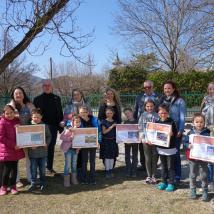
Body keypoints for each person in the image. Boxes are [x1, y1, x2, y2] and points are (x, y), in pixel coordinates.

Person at [158, 80, 186, 184]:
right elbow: (159, 114)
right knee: (164, 154)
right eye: (165, 88)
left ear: (173, 89)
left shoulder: (180, 101)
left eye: (169, 88)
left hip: (175, 132)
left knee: (176, 153)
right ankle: (168, 176)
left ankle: (177, 176)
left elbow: (182, 117)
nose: (167, 90)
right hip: (164, 131)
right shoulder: (162, 100)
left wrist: (180, 129)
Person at [33, 79, 63, 174]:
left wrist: (60, 127)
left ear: (52, 87)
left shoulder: (57, 98)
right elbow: (34, 114)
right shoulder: (37, 99)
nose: (47, 87)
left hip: (53, 127)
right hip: (40, 127)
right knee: (39, 147)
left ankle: (49, 167)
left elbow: (60, 112)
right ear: (42, 87)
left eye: (48, 85)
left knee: (51, 147)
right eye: (45, 85)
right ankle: (40, 169)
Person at [62, 88, 92, 172]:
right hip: (73, 130)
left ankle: (81, 170)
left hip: (83, 130)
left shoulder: (87, 105)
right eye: (74, 95)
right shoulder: (68, 105)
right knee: (74, 150)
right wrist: (64, 122)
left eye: (78, 94)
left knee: (82, 151)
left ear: (81, 95)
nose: (76, 96)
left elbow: (90, 116)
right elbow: (65, 117)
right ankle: (73, 170)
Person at [9, 87, 35, 186]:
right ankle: (16, 180)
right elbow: (6, 117)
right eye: (16, 94)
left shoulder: (29, 105)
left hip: (28, 135)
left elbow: (35, 115)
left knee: (29, 157)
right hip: (15, 136)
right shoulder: (10, 106)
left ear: (23, 94)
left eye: (20, 93)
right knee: (15, 158)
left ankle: (30, 177)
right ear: (13, 95)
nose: (18, 95)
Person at [134, 80, 159, 171]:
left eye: (149, 87)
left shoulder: (158, 96)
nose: (147, 89)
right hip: (142, 124)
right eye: (145, 87)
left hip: (154, 126)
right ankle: (144, 165)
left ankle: (153, 166)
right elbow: (136, 109)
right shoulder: (139, 96)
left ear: (153, 87)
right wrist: (134, 121)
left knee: (154, 147)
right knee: (142, 146)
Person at [183, 113, 209, 201]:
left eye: (201, 122)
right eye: (197, 122)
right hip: (193, 158)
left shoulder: (207, 133)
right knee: (193, 175)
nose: (199, 124)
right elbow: (185, 142)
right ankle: (193, 190)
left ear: (204, 123)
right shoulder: (190, 133)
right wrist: (187, 145)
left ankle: (205, 191)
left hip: (203, 159)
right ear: (193, 123)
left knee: (204, 175)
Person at [0, 105, 25, 195]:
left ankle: (13, 186)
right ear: (3, 114)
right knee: (6, 171)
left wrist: (19, 127)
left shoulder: (17, 121)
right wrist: (13, 145)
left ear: (14, 113)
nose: (9, 115)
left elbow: (22, 133)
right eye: (7, 113)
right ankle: (4, 187)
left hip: (16, 151)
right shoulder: (2, 122)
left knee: (14, 170)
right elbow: (1, 137)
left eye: (11, 113)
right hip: (6, 151)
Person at [27, 109, 51, 191]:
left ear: (41, 117)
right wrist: (29, 146)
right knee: (33, 169)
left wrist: (46, 144)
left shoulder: (45, 126)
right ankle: (33, 183)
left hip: (43, 153)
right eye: (34, 117)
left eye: (38, 117)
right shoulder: (28, 126)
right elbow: (25, 138)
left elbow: (49, 136)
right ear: (31, 117)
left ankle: (42, 183)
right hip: (32, 153)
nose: (36, 118)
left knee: (42, 169)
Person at [156, 104, 178, 192]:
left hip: (170, 148)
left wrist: (172, 134)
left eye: (164, 113)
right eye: (161, 113)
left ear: (168, 113)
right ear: (158, 113)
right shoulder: (157, 122)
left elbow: (176, 134)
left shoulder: (171, 122)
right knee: (163, 166)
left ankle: (171, 183)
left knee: (170, 167)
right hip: (161, 148)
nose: (163, 114)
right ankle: (164, 182)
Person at [98, 88, 121, 167]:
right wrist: (105, 124)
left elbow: (119, 117)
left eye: (111, 94)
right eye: (108, 94)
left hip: (115, 128)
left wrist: (118, 126)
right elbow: (100, 117)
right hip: (106, 128)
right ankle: (106, 167)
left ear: (114, 94)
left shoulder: (117, 104)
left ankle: (112, 167)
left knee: (113, 149)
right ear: (106, 95)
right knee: (105, 149)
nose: (110, 95)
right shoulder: (103, 104)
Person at [138, 100, 159, 184]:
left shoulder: (157, 116)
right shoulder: (142, 115)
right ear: (145, 107)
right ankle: (148, 175)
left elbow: (160, 127)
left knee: (155, 157)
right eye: (147, 106)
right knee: (147, 158)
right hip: (146, 140)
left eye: (151, 106)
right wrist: (143, 138)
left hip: (155, 141)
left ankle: (154, 175)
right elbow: (140, 127)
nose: (149, 108)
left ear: (154, 106)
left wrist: (157, 139)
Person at [79, 106, 101, 185]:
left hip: (92, 143)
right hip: (83, 144)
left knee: (92, 161)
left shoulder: (95, 120)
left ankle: (92, 178)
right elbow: (70, 126)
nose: (83, 114)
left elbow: (99, 132)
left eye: (84, 112)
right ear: (79, 113)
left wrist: (99, 141)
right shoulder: (78, 120)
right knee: (84, 162)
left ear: (88, 112)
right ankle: (83, 178)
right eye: (81, 112)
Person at [60, 115, 80, 187]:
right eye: (76, 122)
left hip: (75, 150)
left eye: (78, 122)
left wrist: (78, 148)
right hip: (68, 149)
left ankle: (74, 179)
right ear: (73, 122)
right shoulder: (68, 129)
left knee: (74, 165)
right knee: (67, 165)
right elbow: (61, 137)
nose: (77, 123)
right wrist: (70, 137)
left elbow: (80, 141)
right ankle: (66, 180)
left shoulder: (80, 130)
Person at [201, 82, 214, 192]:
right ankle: (210, 181)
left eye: (213, 88)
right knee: (209, 158)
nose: (212, 90)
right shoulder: (205, 99)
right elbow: (201, 114)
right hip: (206, 131)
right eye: (210, 88)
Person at [100, 107, 118, 178]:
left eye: (110, 113)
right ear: (105, 113)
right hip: (106, 141)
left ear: (113, 113)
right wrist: (112, 126)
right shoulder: (103, 122)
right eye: (107, 113)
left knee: (112, 156)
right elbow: (104, 132)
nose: (109, 114)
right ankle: (107, 171)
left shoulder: (115, 121)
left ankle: (111, 170)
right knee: (107, 157)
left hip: (113, 141)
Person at [123, 107, 138, 177]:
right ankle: (128, 170)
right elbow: (122, 134)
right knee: (127, 156)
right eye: (126, 114)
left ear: (132, 112)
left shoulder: (137, 121)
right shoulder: (125, 122)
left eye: (128, 113)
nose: (127, 115)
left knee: (135, 156)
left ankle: (134, 170)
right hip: (127, 142)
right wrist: (125, 140)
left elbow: (139, 132)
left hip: (135, 142)